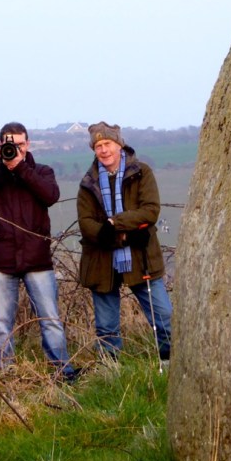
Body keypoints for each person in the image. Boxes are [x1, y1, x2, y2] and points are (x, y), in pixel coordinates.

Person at [0, 121, 78, 382]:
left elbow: (50, 196)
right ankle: (3, 375)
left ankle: (62, 371)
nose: (15, 149)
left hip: (37, 259)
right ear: (0, 145)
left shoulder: (41, 171)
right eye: (10, 145)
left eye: (19, 144)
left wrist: (20, 168)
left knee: (50, 319)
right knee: (1, 323)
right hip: (2, 261)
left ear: (28, 144)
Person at [76, 121, 172, 364]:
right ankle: (110, 372)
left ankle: (172, 364)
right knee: (106, 326)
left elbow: (150, 211)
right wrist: (123, 234)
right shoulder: (88, 182)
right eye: (98, 146)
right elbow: (86, 223)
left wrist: (113, 223)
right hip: (101, 260)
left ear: (119, 145)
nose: (103, 150)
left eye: (107, 143)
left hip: (141, 258)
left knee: (164, 317)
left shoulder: (142, 172)